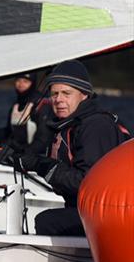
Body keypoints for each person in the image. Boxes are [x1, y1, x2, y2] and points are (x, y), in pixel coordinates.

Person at [15, 60, 130, 236]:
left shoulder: (95, 126)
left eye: (66, 93)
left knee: (46, 221)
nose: (58, 99)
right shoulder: (69, 125)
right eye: (54, 94)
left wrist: (44, 166)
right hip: (94, 211)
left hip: (117, 216)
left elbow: (88, 183)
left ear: (84, 95)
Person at [5, 71, 52, 149]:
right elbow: (8, 133)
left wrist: (28, 153)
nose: (21, 84)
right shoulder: (16, 104)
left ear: (33, 83)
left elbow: (44, 136)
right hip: (16, 151)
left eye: (25, 81)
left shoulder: (41, 103)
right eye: (18, 80)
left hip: (35, 153)